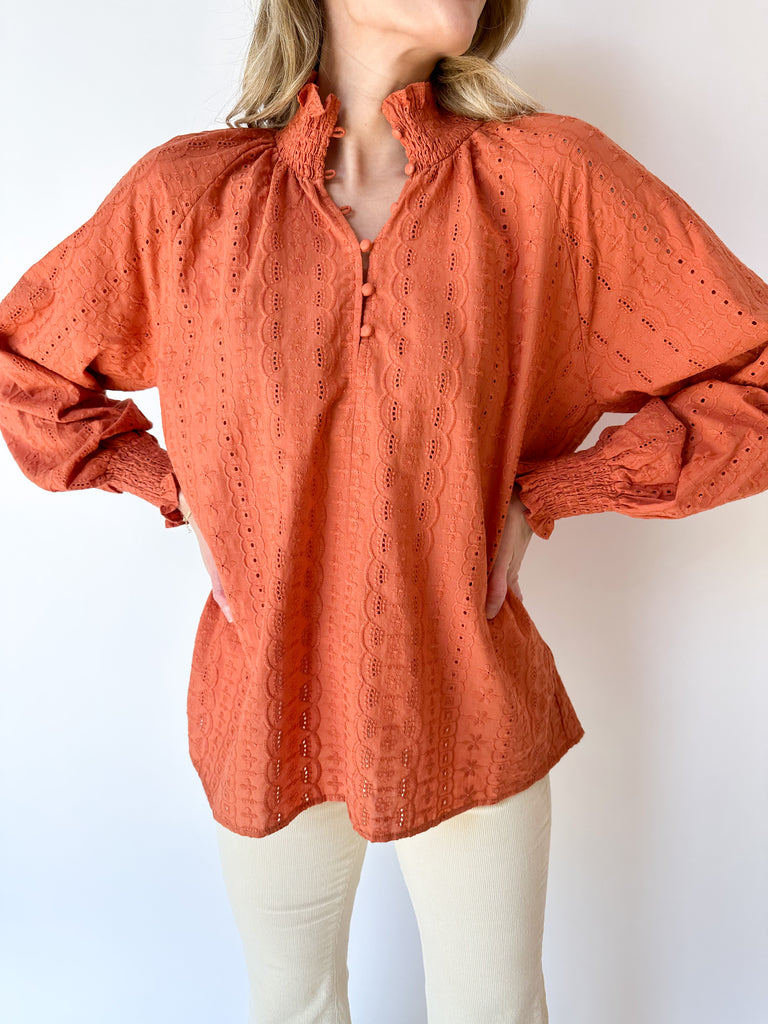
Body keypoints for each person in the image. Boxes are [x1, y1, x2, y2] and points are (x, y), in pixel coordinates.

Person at [1, 1, 766, 1022]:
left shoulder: (549, 182)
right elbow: (26, 368)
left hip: (465, 688)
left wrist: (552, 492)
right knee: (294, 1005)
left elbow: (754, 372)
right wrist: (180, 488)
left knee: (494, 1008)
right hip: (266, 695)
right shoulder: (187, 199)